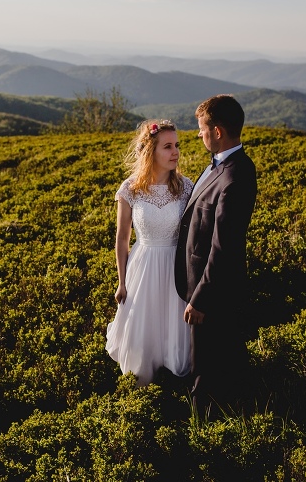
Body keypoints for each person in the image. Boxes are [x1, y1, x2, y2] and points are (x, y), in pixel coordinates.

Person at [174, 94, 257, 415]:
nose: (199, 134)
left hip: (213, 293)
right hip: (198, 285)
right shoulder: (218, 167)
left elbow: (225, 246)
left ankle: (203, 432)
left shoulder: (236, 177)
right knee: (208, 361)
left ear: (218, 131)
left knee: (205, 369)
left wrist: (201, 298)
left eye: (202, 128)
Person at [106, 119, 194, 386]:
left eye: (177, 145)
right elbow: (122, 240)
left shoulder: (186, 187)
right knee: (144, 331)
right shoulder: (130, 189)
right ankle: (144, 388)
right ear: (150, 151)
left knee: (174, 330)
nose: (175, 152)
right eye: (167, 146)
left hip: (176, 268)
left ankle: (177, 385)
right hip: (142, 267)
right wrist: (121, 282)